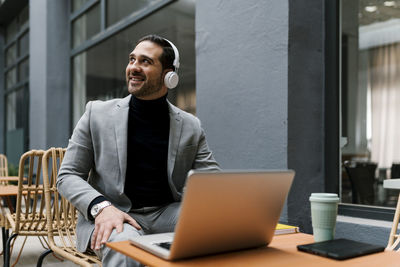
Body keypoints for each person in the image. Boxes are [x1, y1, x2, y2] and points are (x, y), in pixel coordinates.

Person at [57, 34, 220, 266]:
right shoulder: (96, 113)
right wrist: (102, 207)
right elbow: (67, 176)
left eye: (145, 61)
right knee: (126, 252)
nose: (133, 67)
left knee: (221, 234)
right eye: (132, 59)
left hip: (168, 213)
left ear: (169, 75)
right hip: (115, 214)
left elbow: (212, 181)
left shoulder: (190, 125)